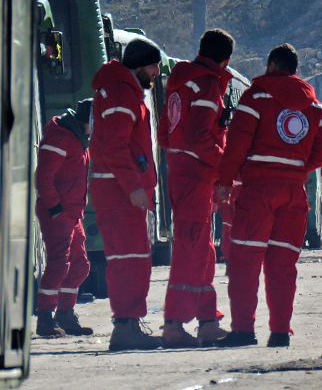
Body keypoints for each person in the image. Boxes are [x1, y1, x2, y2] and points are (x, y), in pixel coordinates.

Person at [215, 43, 322, 348]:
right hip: (293, 193)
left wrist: (225, 181)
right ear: (294, 70)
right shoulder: (314, 106)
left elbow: (238, 142)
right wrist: (296, 167)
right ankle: (280, 331)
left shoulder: (256, 97)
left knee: (245, 261)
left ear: (270, 66)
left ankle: (243, 329)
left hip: (257, 190)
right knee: (283, 265)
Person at [157, 29, 234, 348]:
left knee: (202, 249)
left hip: (184, 173)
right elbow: (201, 137)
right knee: (191, 250)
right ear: (226, 59)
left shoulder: (179, 82)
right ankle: (174, 324)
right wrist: (224, 169)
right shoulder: (205, 84)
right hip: (196, 175)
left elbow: (165, 134)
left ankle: (206, 321)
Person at [89, 38, 162, 350]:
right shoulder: (122, 93)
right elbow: (115, 145)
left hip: (117, 188)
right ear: (140, 65)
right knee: (129, 257)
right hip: (119, 190)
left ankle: (129, 323)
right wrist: (133, 185)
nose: (157, 72)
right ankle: (126, 326)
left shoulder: (121, 89)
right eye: (154, 65)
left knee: (131, 256)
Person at [35, 99, 94, 338]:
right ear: (89, 120)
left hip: (71, 212)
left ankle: (65, 314)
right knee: (59, 264)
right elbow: (44, 177)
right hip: (58, 213)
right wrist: (56, 209)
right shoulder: (61, 137)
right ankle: (45, 319)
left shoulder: (78, 138)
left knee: (80, 265)